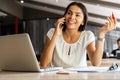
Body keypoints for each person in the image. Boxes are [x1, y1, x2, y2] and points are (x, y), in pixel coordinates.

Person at [40, 2, 117, 68]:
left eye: (77, 15)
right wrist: (55, 35)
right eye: (69, 13)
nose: (72, 17)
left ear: (83, 21)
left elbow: (96, 63)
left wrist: (102, 33)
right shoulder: (52, 32)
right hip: (56, 77)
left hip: (80, 77)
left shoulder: (87, 36)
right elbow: (44, 64)